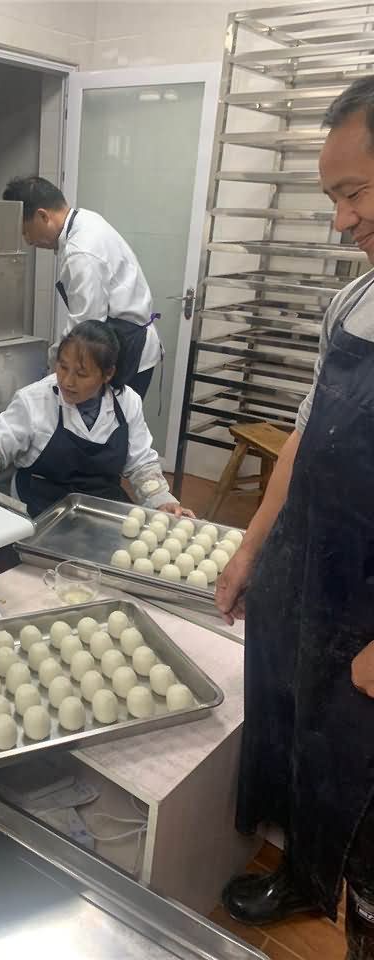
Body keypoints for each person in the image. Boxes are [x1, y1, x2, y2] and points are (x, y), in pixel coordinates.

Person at [216, 76, 374, 959]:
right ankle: (306, 879)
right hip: (308, 565)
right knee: (294, 737)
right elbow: (305, 438)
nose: (342, 221)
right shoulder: (354, 300)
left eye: (355, 193)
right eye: (332, 199)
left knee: (363, 780)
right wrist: (252, 552)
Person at [0, 320, 191, 519]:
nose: (68, 381)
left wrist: (162, 500)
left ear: (108, 374)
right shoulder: (34, 400)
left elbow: (141, 466)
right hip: (42, 504)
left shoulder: (127, 402)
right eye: (62, 367)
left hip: (101, 503)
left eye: (81, 374)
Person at [2, 175, 162, 399]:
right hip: (126, 339)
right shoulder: (86, 219)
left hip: (126, 347)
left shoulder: (81, 250)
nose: (27, 240)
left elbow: (85, 326)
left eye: (26, 231)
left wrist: (52, 364)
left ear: (43, 216)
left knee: (113, 419)